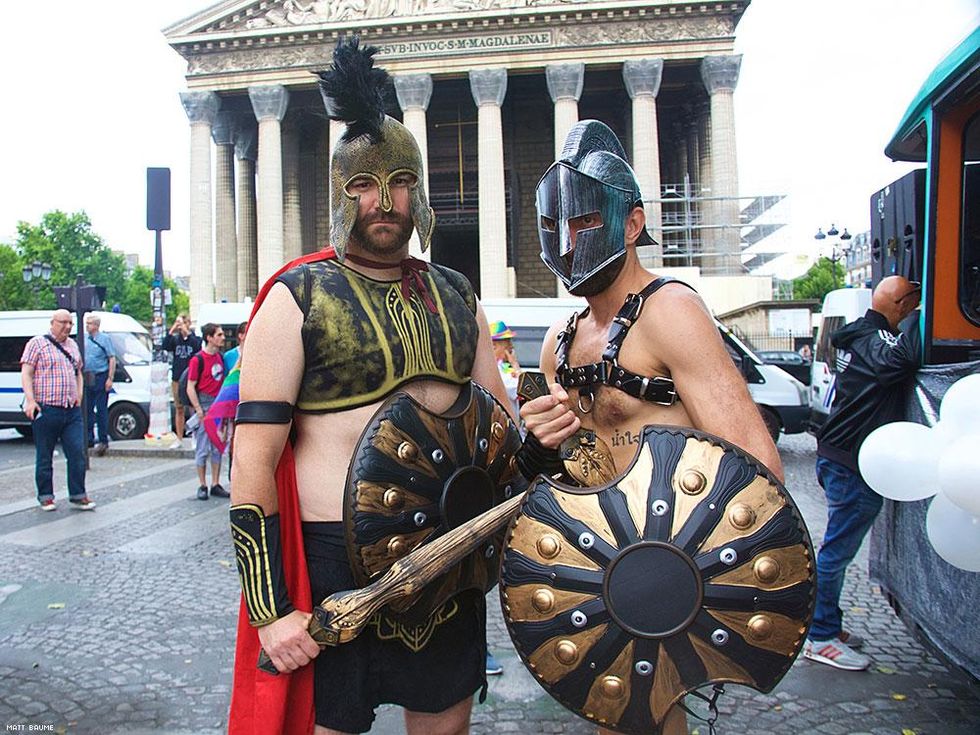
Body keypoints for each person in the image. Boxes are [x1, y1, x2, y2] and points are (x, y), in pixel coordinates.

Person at [228, 38, 514, 735]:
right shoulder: (296, 298)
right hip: (335, 565)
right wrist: (270, 610)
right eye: (361, 184)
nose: (383, 201)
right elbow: (254, 461)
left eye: (399, 181)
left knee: (445, 726)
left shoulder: (458, 294)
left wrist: (547, 436)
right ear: (339, 193)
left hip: (449, 553)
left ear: (420, 191)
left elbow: (501, 428)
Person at [518, 120, 783, 735]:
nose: (569, 241)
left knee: (652, 714)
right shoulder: (560, 340)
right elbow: (573, 475)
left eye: (586, 222)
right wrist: (543, 445)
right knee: (612, 713)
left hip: (673, 562)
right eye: (557, 225)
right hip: (599, 566)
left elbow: (756, 460)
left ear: (632, 224)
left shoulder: (672, 311)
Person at [804, 276, 922, 671]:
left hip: (842, 456)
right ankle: (820, 638)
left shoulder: (861, 335)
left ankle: (827, 626)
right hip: (850, 462)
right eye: (913, 301)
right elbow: (900, 360)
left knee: (837, 549)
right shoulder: (874, 339)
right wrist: (921, 318)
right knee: (836, 552)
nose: (915, 307)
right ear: (901, 304)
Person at [19, 310, 95, 511]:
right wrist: (30, 400)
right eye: (63, 322)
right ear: (53, 323)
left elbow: (78, 372)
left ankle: (78, 494)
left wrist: (79, 395)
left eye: (70, 323)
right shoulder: (37, 344)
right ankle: (46, 496)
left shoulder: (73, 345)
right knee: (45, 455)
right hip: (47, 408)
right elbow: (26, 373)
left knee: (77, 452)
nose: (67, 327)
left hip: (71, 410)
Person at [186, 322, 228, 501]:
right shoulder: (198, 360)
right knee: (202, 448)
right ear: (209, 338)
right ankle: (202, 484)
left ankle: (215, 483)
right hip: (204, 405)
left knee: (217, 447)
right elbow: (190, 386)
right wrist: (198, 409)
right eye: (219, 335)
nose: (223, 338)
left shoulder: (221, 358)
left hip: (218, 406)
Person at [163, 314, 202, 449]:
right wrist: (172, 330)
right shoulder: (175, 340)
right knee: (179, 408)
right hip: (177, 378)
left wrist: (187, 333)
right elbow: (165, 345)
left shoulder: (194, 338)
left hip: (192, 378)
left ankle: (194, 437)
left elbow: (198, 347)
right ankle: (179, 438)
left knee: (193, 408)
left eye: (183, 322)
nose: (181, 325)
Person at [83, 313, 116, 456]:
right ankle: (88, 438)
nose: (87, 326)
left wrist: (110, 378)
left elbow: (111, 358)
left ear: (96, 325)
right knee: (87, 409)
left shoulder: (104, 339)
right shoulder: (84, 339)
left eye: (89, 323)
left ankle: (103, 439)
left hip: (100, 375)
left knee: (101, 409)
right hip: (87, 376)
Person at [489, 320, 521, 420]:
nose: (511, 347)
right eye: (507, 345)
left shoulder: (502, 368)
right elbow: (522, 389)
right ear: (493, 346)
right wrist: (515, 365)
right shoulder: (497, 371)